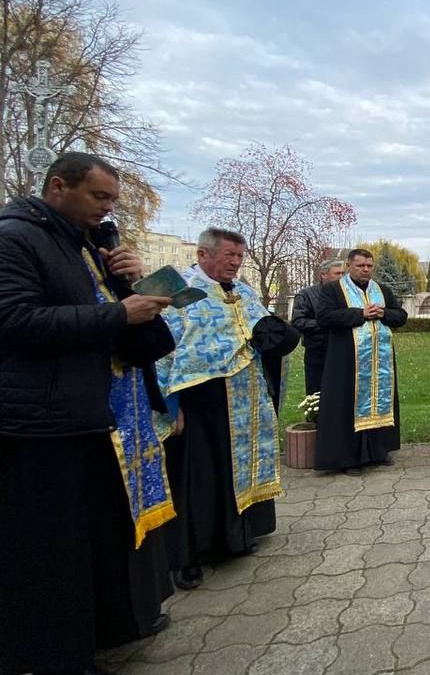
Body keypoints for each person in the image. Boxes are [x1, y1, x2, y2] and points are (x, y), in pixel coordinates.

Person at [0, 153, 177, 675]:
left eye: (112, 202)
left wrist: (128, 285)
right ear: (59, 187)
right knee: (50, 551)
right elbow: (15, 321)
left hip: (84, 416)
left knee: (94, 537)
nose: (108, 210)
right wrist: (117, 316)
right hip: (36, 424)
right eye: (99, 198)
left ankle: (100, 633)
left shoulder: (85, 247)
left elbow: (135, 336)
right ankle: (55, 668)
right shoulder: (15, 239)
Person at [157, 228, 299, 590]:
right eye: (229, 256)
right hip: (199, 402)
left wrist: (279, 335)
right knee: (199, 477)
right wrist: (169, 405)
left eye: (239, 256)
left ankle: (234, 538)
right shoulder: (178, 292)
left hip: (242, 399)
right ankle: (189, 557)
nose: (235, 263)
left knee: (235, 469)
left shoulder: (241, 289)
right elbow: (163, 352)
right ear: (204, 254)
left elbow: (259, 328)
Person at [315, 248, 407, 475]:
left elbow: (401, 317)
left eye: (369, 266)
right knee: (347, 406)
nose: (365, 270)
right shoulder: (333, 290)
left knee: (379, 401)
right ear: (349, 266)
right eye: (360, 266)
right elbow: (324, 317)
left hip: (379, 363)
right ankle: (349, 459)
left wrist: (383, 313)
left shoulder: (382, 290)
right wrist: (360, 314)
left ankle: (378, 451)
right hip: (347, 362)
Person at [291, 258, 345, 394]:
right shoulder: (306, 295)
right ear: (323, 274)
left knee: (341, 391)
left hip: (342, 349)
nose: (341, 277)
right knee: (317, 391)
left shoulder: (347, 294)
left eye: (343, 274)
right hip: (318, 351)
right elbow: (298, 321)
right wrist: (325, 323)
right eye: (337, 273)